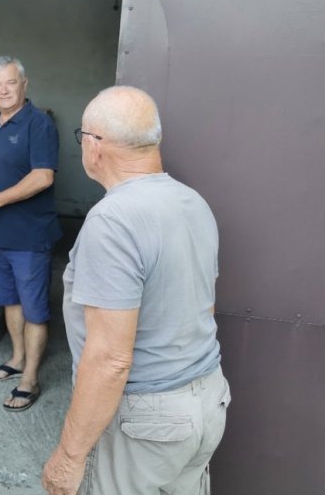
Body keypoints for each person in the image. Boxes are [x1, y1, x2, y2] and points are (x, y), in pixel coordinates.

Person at [42, 86, 230, 494]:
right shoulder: (193, 203)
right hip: (207, 402)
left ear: (95, 147)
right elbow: (205, 308)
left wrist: (69, 457)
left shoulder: (112, 221)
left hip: (147, 423)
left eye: (82, 137)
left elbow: (109, 359)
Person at [0, 56, 62, 412]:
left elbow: (42, 177)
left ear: (25, 84)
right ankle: (18, 358)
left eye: (10, 83)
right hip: (1, 234)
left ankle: (31, 378)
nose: (3, 91)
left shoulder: (38, 124)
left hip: (31, 234)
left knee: (35, 308)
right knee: (10, 300)